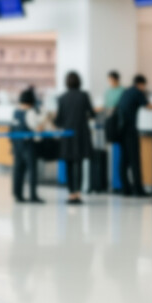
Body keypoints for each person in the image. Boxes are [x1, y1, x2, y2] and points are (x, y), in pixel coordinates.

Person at [54, 71, 94, 204]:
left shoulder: (61, 98)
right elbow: (91, 114)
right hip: (82, 134)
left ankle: (71, 193)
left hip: (67, 135)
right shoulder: (84, 96)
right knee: (80, 163)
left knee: (69, 164)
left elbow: (58, 120)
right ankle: (78, 193)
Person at [116, 75, 152, 196]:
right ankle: (138, 190)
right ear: (141, 84)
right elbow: (148, 106)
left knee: (124, 160)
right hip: (130, 130)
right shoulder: (137, 92)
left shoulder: (126, 91)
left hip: (120, 130)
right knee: (135, 160)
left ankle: (125, 188)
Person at [11, 88, 44, 203]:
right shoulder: (30, 112)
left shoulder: (16, 112)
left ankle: (17, 194)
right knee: (32, 170)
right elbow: (36, 128)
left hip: (17, 146)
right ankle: (33, 195)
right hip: (28, 146)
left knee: (18, 170)